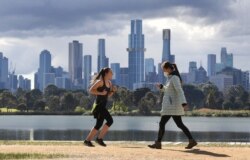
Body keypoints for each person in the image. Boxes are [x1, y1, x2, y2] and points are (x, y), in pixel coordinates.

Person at [148, 61, 197, 149]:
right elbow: (169, 90)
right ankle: (191, 140)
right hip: (171, 106)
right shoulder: (170, 78)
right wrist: (162, 87)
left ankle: (158, 143)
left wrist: (184, 103)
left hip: (172, 106)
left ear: (168, 68)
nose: (164, 71)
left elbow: (179, 90)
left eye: (164, 69)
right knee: (179, 124)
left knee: (162, 123)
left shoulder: (174, 78)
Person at [84, 67, 117, 147]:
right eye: (111, 72)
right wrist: (101, 93)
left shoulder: (109, 83)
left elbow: (108, 95)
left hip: (103, 105)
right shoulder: (100, 82)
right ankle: (99, 139)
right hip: (98, 106)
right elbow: (91, 90)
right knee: (110, 120)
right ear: (106, 73)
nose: (112, 74)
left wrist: (112, 91)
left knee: (98, 125)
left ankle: (87, 141)